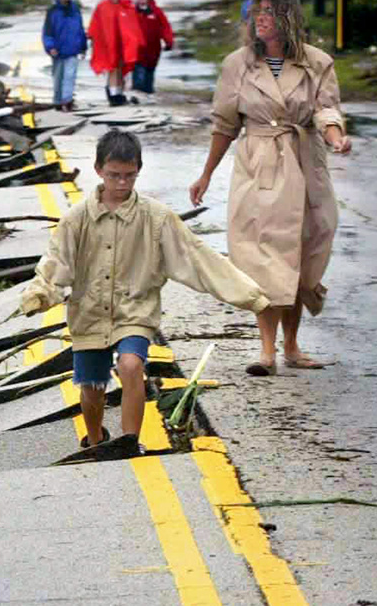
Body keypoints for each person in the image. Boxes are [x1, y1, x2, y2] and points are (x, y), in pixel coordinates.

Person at [23, 128, 270, 456]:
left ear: (138, 171)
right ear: (98, 170)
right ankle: (95, 440)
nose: (122, 183)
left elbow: (198, 258)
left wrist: (249, 295)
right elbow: (56, 263)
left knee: (130, 365)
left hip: (135, 312)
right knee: (92, 388)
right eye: (114, 176)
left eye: (129, 176)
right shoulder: (76, 220)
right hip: (89, 314)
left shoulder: (157, 219)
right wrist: (41, 294)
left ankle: (129, 441)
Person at [189, 0, 353, 376]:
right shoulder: (237, 64)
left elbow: (326, 109)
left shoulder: (317, 62)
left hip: (304, 162)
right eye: (256, 12)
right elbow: (225, 125)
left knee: (303, 254)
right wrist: (206, 174)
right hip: (259, 164)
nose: (260, 19)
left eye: (269, 12)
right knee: (266, 258)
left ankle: (292, 347)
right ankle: (266, 350)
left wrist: (336, 139)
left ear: (288, 17)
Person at [88, 0, 143, 105]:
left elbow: (133, 25)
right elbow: (96, 26)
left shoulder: (126, 5)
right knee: (112, 68)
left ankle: (119, 93)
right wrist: (93, 40)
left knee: (120, 69)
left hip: (123, 44)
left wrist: (136, 41)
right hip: (108, 44)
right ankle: (113, 96)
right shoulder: (102, 7)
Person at [41, 0, 89, 111]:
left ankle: (67, 101)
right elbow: (48, 31)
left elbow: (80, 29)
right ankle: (57, 101)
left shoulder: (75, 10)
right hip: (58, 50)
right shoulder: (53, 11)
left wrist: (83, 47)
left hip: (72, 49)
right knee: (58, 77)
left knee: (70, 76)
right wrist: (50, 47)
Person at [130, 0, 175, 98]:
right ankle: (137, 97)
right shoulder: (131, 11)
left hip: (153, 50)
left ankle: (148, 95)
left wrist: (169, 41)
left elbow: (165, 27)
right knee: (138, 77)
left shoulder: (156, 11)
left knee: (149, 76)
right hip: (137, 51)